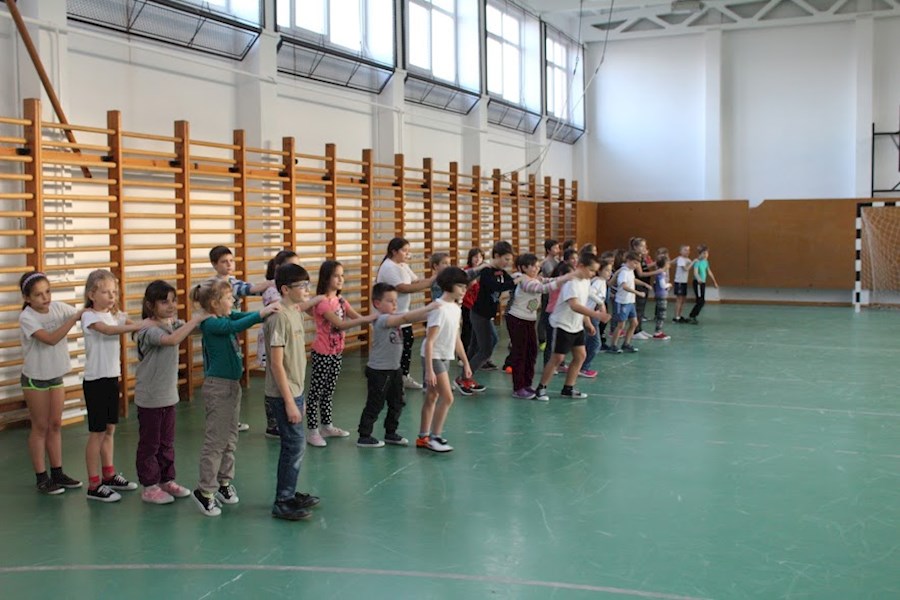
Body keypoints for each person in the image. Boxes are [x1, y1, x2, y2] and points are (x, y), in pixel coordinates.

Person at [191, 278, 281, 517]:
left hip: (232, 386)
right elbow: (236, 326)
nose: (233, 300)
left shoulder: (225, 315)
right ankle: (205, 490)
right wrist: (261, 313)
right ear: (215, 303)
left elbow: (243, 316)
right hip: (218, 388)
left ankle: (223, 481)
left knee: (230, 438)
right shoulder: (211, 323)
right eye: (229, 297)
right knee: (215, 441)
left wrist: (266, 312)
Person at [133, 280, 209, 504]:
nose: (171, 306)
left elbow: (193, 330)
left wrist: (211, 315)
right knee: (150, 444)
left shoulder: (172, 323)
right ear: (150, 305)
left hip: (168, 396)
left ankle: (166, 480)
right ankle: (149, 486)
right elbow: (172, 339)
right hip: (150, 398)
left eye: (174, 301)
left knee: (167, 442)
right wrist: (196, 318)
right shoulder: (147, 330)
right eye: (164, 302)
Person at [81, 269, 148, 502]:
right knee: (97, 433)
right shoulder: (90, 316)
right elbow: (109, 331)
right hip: (95, 381)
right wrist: (138, 326)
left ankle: (108, 475)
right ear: (92, 295)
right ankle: (94, 484)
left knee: (110, 430)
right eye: (105, 292)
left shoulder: (114, 314)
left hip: (111, 378)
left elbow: (131, 324)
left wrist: (150, 325)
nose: (111, 296)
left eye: (114, 292)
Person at [263, 263, 323, 521]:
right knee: (293, 446)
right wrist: (289, 402)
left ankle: (289, 493)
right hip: (282, 394)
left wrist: (300, 397)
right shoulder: (279, 317)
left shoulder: (295, 312)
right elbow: (277, 364)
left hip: (294, 391)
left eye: (308, 284)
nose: (307, 290)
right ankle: (283, 500)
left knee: (295, 446)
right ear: (286, 289)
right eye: (302, 286)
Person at [18, 271, 84, 495]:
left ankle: (58, 473)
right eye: (38, 294)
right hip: (35, 379)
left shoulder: (58, 308)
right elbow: (51, 339)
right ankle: (41, 477)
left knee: (55, 424)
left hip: (55, 376)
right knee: (40, 427)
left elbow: (82, 315)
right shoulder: (27, 317)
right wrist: (73, 319)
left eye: (47, 292)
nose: (45, 297)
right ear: (27, 298)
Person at [306, 260, 377, 448]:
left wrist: (376, 321)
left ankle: (327, 426)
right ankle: (312, 431)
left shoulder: (341, 301)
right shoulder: (322, 303)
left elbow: (356, 317)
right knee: (316, 393)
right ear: (326, 278)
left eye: (342, 275)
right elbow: (340, 324)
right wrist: (371, 317)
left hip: (337, 351)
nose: (340, 279)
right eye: (336, 276)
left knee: (329, 391)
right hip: (322, 353)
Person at [357, 283, 438, 448]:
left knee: (397, 402)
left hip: (394, 369)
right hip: (379, 371)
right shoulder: (381, 319)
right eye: (390, 301)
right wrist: (429, 307)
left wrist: (434, 312)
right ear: (377, 303)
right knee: (375, 404)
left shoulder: (393, 316)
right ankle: (364, 435)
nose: (395, 304)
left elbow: (411, 317)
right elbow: (406, 318)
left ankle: (391, 432)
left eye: (396, 301)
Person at [209, 245, 274, 432]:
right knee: (220, 377)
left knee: (232, 371)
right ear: (214, 264)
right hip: (221, 330)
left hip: (231, 329)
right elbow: (251, 289)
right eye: (224, 262)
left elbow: (251, 291)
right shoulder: (215, 285)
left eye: (231, 260)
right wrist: (273, 282)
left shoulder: (232, 281)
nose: (229, 264)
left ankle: (230, 420)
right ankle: (220, 420)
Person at [533, 253, 609, 401]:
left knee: (580, 356)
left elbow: (583, 302)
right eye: (591, 270)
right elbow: (574, 305)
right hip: (562, 325)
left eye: (595, 271)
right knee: (558, 358)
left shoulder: (586, 281)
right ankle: (541, 388)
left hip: (576, 325)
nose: (593, 274)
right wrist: (596, 315)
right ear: (580, 266)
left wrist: (587, 322)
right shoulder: (571, 283)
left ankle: (568, 388)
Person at [418, 267, 472, 452]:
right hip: (434, 357)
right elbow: (429, 342)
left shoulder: (456, 308)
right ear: (449, 285)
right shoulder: (439, 308)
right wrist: (429, 370)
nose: (464, 290)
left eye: (465, 286)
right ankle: (435, 437)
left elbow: (456, 338)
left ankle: (422, 437)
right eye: (460, 286)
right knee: (448, 398)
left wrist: (465, 361)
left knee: (432, 396)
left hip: (444, 356)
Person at [506, 254, 574, 399]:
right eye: (533, 266)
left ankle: (527, 384)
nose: (537, 269)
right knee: (520, 353)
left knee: (531, 352)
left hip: (529, 320)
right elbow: (541, 288)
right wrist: (561, 281)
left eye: (538, 266)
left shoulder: (536, 278)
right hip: (517, 319)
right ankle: (518, 387)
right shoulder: (523, 280)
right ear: (523, 268)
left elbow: (549, 280)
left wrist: (565, 278)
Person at [374, 238, 436, 390]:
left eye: (408, 251)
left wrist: (433, 279)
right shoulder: (388, 267)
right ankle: (392, 379)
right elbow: (403, 288)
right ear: (394, 251)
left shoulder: (402, 265)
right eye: (404, 250)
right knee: (395, 347)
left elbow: (415, 282)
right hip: (392, 315)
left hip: (403, 313)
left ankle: (403, 376)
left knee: (407, 343)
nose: (407, 254)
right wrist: (430, 283)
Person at [256, 250, 301, 439]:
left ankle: (276, 418)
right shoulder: (273, 291)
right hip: (274, 337)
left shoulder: (291, 304)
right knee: (273, 373)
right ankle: (272, 421)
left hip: (281, 336)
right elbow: (277, 308)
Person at [463, 240, 516, 382]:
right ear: (496, 256)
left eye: (510, 260)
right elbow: (496, 286)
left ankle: (465, 375)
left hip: (486, 315)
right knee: (486, 349)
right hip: (479, 314)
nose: (508, 263)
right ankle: (465, 378)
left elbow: (510, 281)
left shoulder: (502, 272)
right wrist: (514, 282)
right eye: (506, 259)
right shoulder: (487, 271)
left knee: (475, 346)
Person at [580, 258, 613, 378]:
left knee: (587, 342)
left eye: (610, 270)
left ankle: (581, 366)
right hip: (589, 315)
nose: (609, 273)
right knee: (595, 343)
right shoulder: (598, 281)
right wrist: (600, 303)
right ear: (599, 271)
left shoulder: (601, 282)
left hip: (591, 314)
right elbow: (590, 293)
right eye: (606, 270)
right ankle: (583, 367)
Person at [607, 252, 646, 354]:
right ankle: (613, 345)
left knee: (634, 323)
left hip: (630, 301)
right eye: (635, 263)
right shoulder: (623, 271)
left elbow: (632, 280)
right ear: (628, 260)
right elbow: (624, 286)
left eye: (637, 263)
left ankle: (626, 344)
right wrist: (638, 293)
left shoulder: (630, 271)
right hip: (622, 302)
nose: (636, 266)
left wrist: (644, 284)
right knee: (621, 325)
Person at [629, 237, 663, 341]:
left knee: (642, 309)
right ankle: (635, 331)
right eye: (642, 246)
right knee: (638, 309)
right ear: (635, 247)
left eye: (645, 246)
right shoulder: (635, 257)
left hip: (644, 285)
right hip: (639, 285)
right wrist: (656, 272)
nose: (644, 248)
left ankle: (639, 329)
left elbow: (645, 266)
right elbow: (640, 273)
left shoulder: (642, 257)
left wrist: (656, 263)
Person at [460, 248, 484, 357]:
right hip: (467, 304)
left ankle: (476, 354)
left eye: (480, 257)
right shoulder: (466, 271)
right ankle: (463, 355)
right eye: (475, 257)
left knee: (478, 331)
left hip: (479, 305)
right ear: (470, 258)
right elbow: (461, 288)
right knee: (467, 330)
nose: (477, 259)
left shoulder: (483, 272)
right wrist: (471, 284)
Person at [537, 239, 560, 351]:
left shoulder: (556, 260)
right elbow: (552, 276)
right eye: (555, 248)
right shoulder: (547, 262)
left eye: (558, 247)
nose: (558, 250)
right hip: (547, 293)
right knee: (544, 316)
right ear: (548, 250)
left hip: (554, 292)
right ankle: (542, 339)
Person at [687, 244, 719, 324]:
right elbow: (695, 272)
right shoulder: (697, 262)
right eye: (704, 253)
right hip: (698, 283)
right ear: (699, 254)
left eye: (707, 253)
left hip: (702, 283)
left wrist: (714, 282)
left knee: (701, 301)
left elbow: (709, 272)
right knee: (700, 301)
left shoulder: (706, 262)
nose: (706, 255)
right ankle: (692, 316)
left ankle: (693, 316)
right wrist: (699, 279)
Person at [652, 250, 672, 340]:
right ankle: (657, 332)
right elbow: (662, 285)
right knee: (661, 315)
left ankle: (659, 331)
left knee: (661, 314)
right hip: (661, 296)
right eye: (668, 263)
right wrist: (669, 285)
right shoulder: (660, 274)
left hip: (662, 295)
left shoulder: (661, 273)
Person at [672, 245, 694, 323]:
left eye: (688, 250)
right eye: (685, 250)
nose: (687, 251)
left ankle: (679, 315)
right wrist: (693, 262)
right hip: (679, 282)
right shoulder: (681, 259)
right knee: (679, 299)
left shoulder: (687, 260)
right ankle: (676, 317)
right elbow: (685, 269)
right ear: (680, 251)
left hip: (684, 282)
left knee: (683, 300)